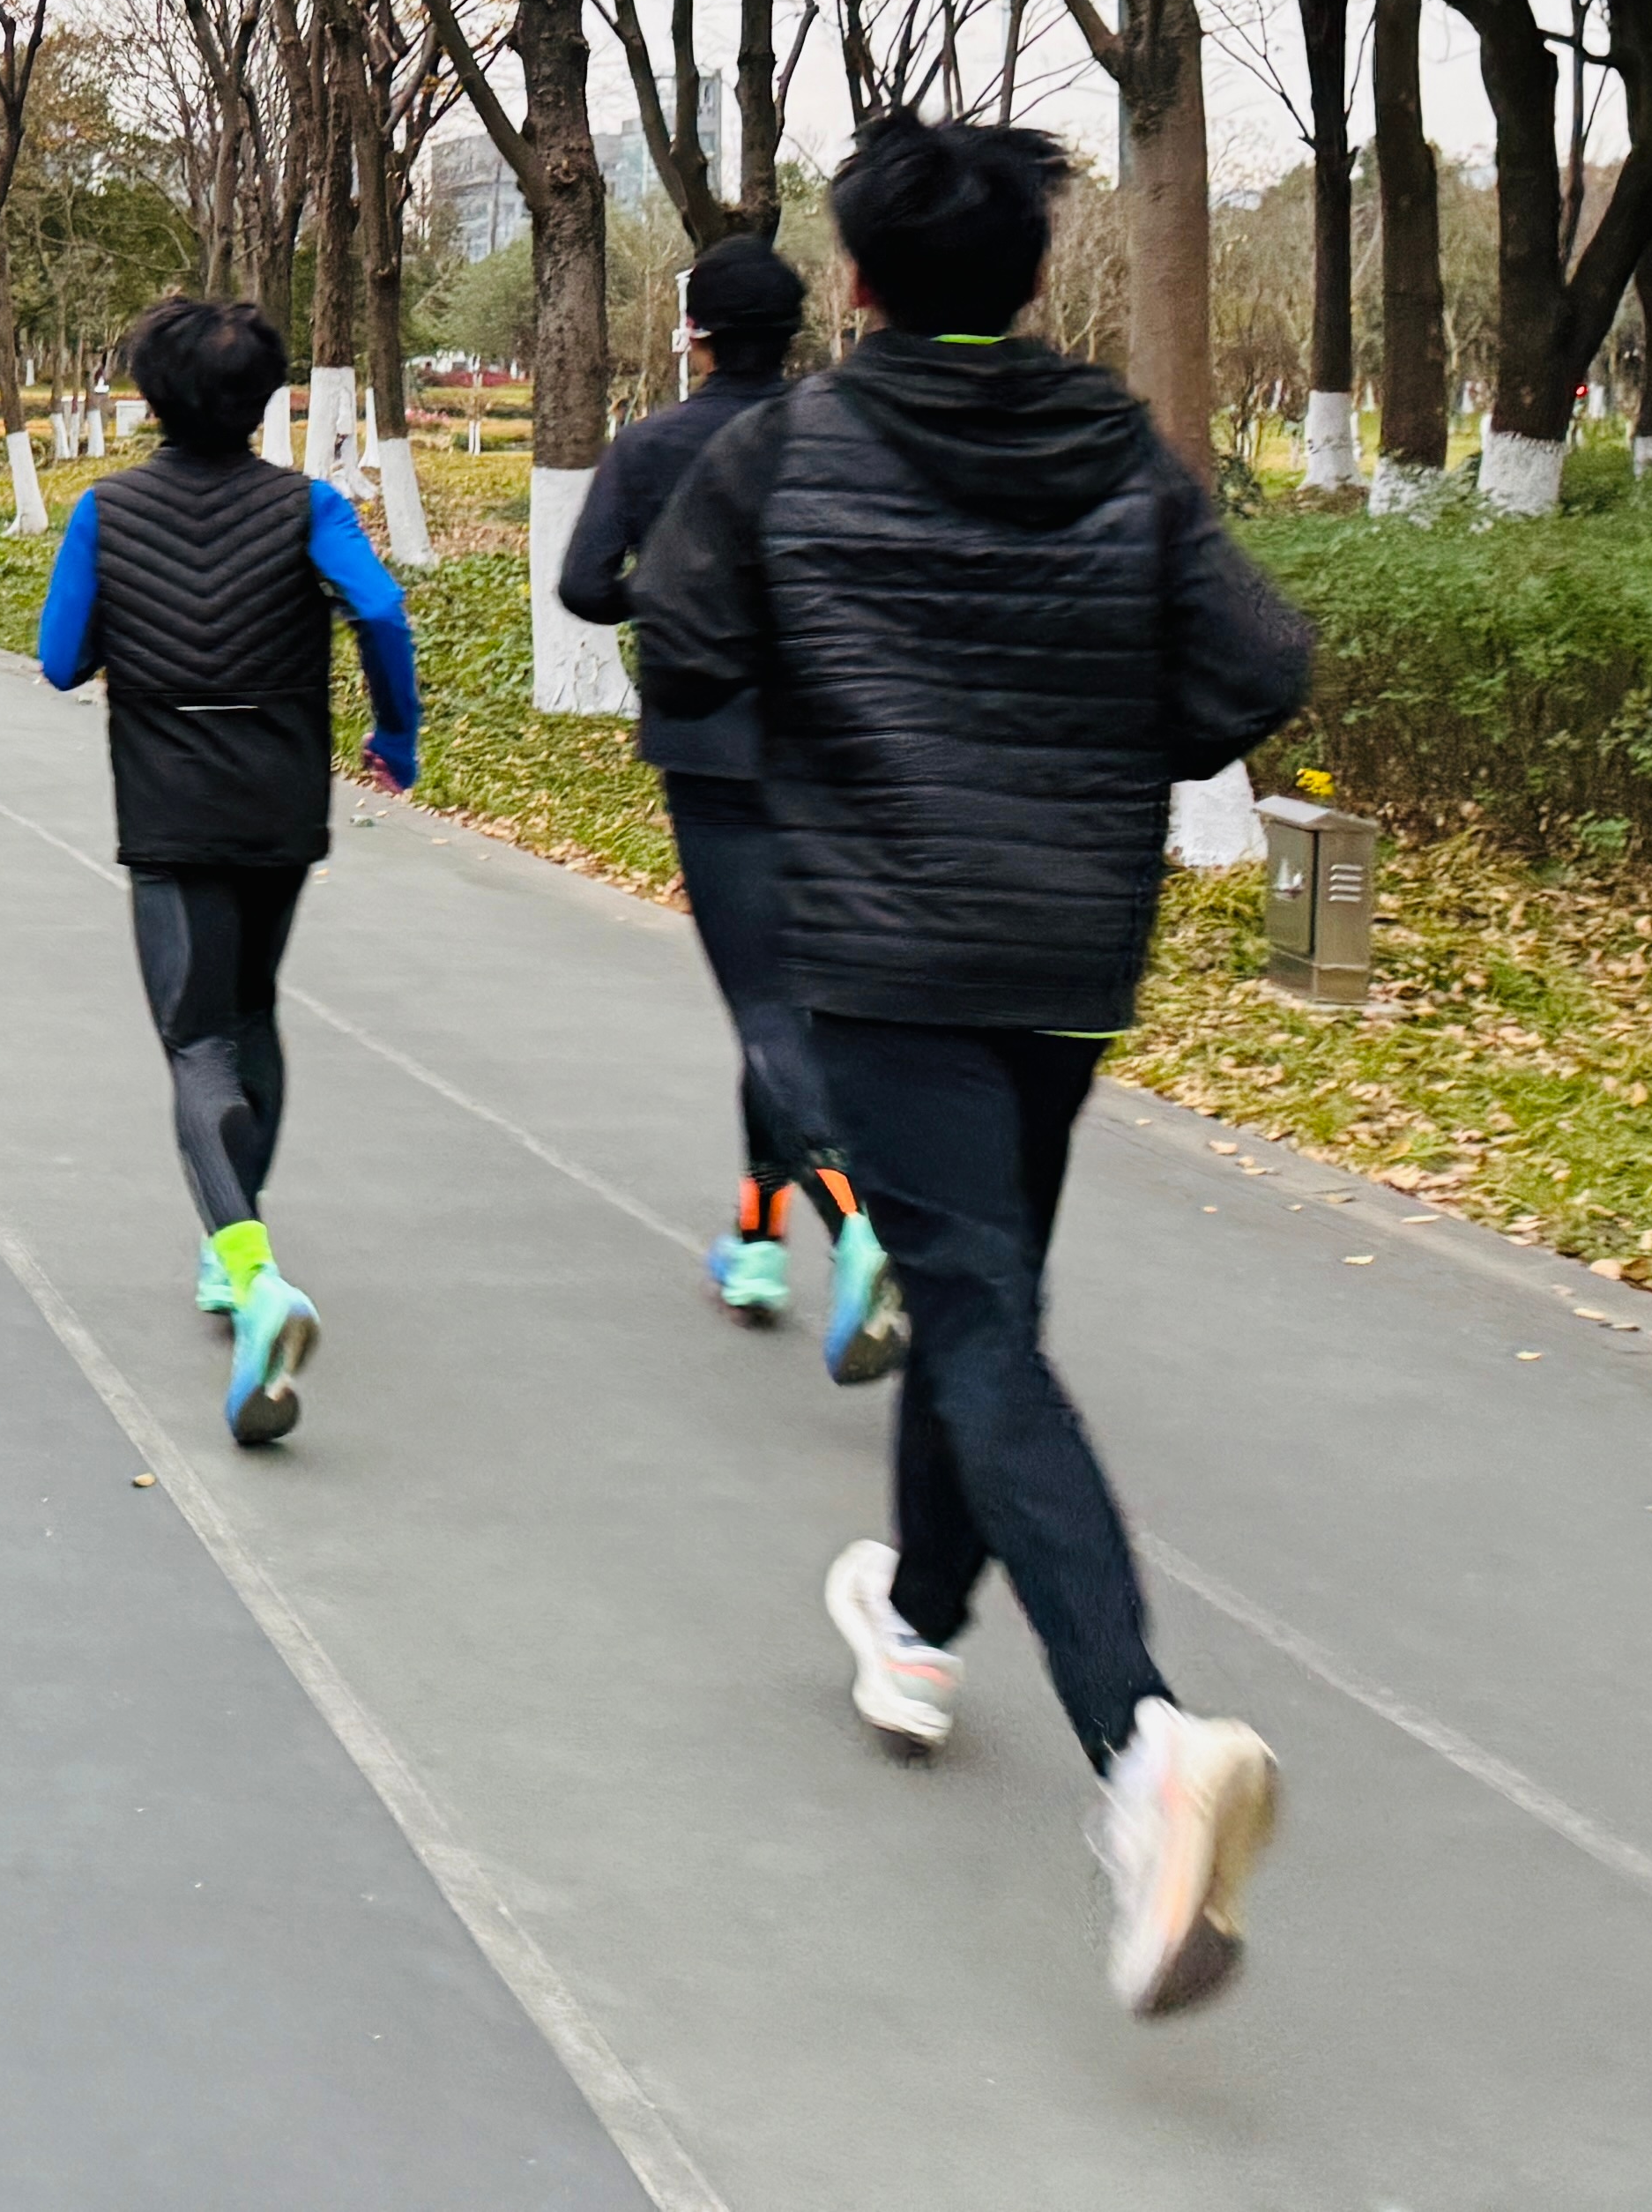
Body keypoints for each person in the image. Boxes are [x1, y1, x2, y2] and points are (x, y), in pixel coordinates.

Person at [631, 115, 1314, 2017]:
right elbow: (1256, 670)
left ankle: (1145, 1744)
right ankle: (920, 1629)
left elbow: (676, 652)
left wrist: (830, 740)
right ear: (1029, 280)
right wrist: (1102, 749)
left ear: (855, 283)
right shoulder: (1114, 444)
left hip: (891, 948)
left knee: (985, 1320)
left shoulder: (790, 452)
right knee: (977, 1284)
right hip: (1071, 948)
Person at [34, 295, 420, 1449]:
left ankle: (252, 1278)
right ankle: (228, 1241)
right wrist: (395, 738)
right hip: (282, 797)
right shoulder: (309, 506)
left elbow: (61, 662)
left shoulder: (107, 511)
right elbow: (384, 610)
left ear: (150, 397)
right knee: (253, 1011)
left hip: (168, 804)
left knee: (194, 1039)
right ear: (266, 398)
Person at [554, 234, 903, 1384]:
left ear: (693, 330)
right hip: (835, 748)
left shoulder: (655, 446)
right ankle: (758, 1239)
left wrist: (673, 590)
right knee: (798, 1000)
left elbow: (581, 587)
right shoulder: (846, 432)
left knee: (764, 1003)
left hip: (713, 753)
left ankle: (859, 1231)